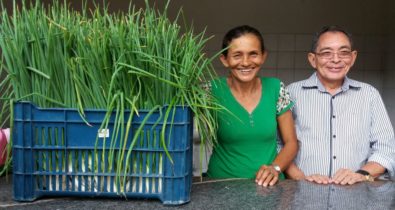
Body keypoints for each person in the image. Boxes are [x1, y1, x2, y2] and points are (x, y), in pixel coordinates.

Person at [285, 25, 395, 185]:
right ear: (312, 59)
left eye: (343, 52)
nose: (336, 59)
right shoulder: (291, 93)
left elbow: (387, 149)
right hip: (303, 192)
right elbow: (276, 145)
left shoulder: (369, 94)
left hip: (356, 194)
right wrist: (301, 179)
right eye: (326, 53)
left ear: (353, 57)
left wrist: (361, 174)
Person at [206, 25, 298, 187]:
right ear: (224, 59)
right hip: (221, 185)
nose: (246, 62)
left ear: (263, 56)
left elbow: (291, 142)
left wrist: (275, 168)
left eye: (253, 54)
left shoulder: (276, 88)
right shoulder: (210, 91)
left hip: (270, 186)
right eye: (237, 55)